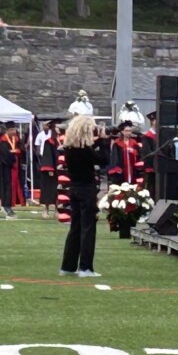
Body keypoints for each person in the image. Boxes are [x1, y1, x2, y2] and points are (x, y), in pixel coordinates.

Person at [59, 113, 104, 277]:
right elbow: (103, 160)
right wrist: (104, 141)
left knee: (75, 228)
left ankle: (68, 266)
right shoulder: (85, 151)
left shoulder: (69, 148)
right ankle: (85, 267)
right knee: (88, 228)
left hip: (75, 188)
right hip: (87, 190)